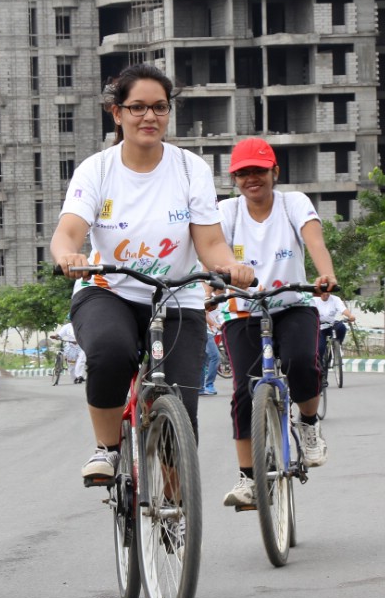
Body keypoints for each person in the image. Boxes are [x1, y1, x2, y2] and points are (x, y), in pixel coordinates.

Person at [50, 63, 254, 482]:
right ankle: (106, 449)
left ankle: (177, 510)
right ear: (117, 112)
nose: (149, 117)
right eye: (138, 107)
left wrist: (229, 266)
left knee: (181, 408)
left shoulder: (188, 168)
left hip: (177, 296)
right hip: (110, 291)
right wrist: (69, 256)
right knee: (109, 353)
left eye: (159, 107)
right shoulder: (98, 170)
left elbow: (210, 243)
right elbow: (67, 234)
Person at [215, 138, 338, 507]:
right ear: (234, 178)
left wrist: (326, 275)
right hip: (243, 312)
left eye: (259, 170)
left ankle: (310, 424)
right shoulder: (228, 212)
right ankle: (248, 479)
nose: (252, 179)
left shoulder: (293, 203)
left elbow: (314, 241)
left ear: (274, 173)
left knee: (303, 361)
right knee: (242, 392)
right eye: (243, 173)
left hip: (292, 303)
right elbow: (215, 255)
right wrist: (212, 284)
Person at [313, 289, 356, 367]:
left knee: (342, 327)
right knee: (320, 348)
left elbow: (343, 310)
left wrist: (350, 316)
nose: (326, 294)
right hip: (319, 327)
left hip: (331, 325)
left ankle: (337, 348)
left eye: (328, 291)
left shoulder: (335, 299)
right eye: (323, 291)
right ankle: (320, 368)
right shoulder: (314, 300)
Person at [49, 320, 86, 384]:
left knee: (81, 360)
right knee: (72, 364)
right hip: (70, 346)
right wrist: (55, 336)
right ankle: (74, 378)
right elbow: (60, 334)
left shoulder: (82, 325)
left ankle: (79, 376)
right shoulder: (67, 327)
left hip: (81, 345)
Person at [200, 300, 222, 396]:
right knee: (215, 357)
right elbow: (205, 313)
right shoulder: (209, 298)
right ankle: (209, 384)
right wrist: (215, 325)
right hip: (206, 333)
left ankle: (200, 388)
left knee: (203, 360)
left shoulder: (216, 302)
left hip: (208, 333)